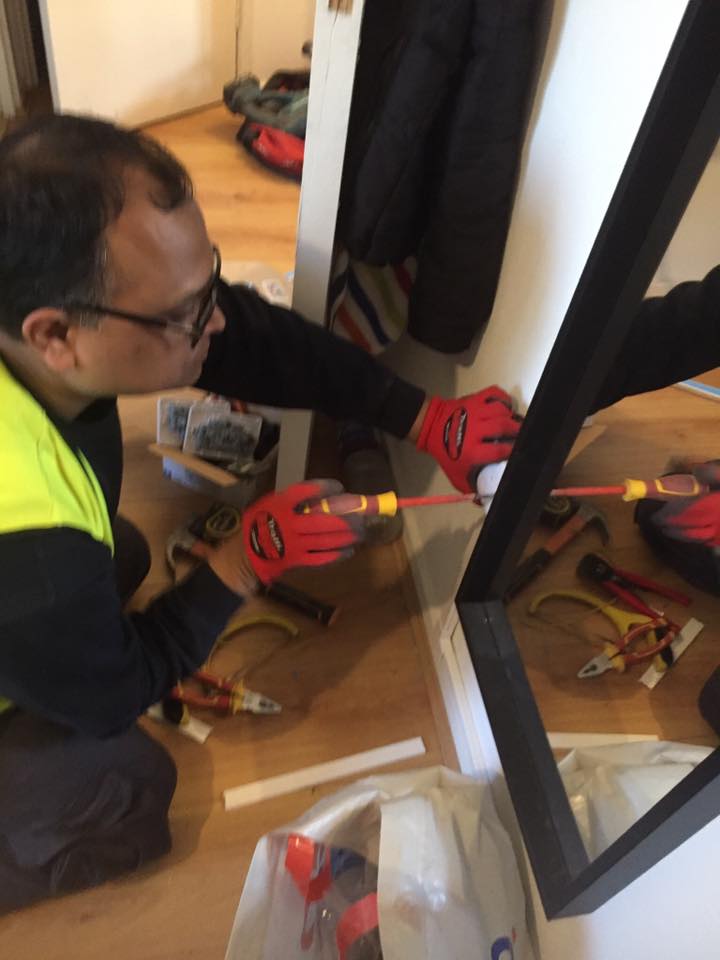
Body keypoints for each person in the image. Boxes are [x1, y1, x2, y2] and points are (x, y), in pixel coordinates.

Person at [0, 113, 520, 912]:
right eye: (185, 311)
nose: (213, 318)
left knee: (119, 560)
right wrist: (244, 560)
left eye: (207, 282)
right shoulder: (33, 544)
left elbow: (246, 339)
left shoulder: (33, 320)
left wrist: (421, 418)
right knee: (129, 785)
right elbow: (115, 694)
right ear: (57, 335)